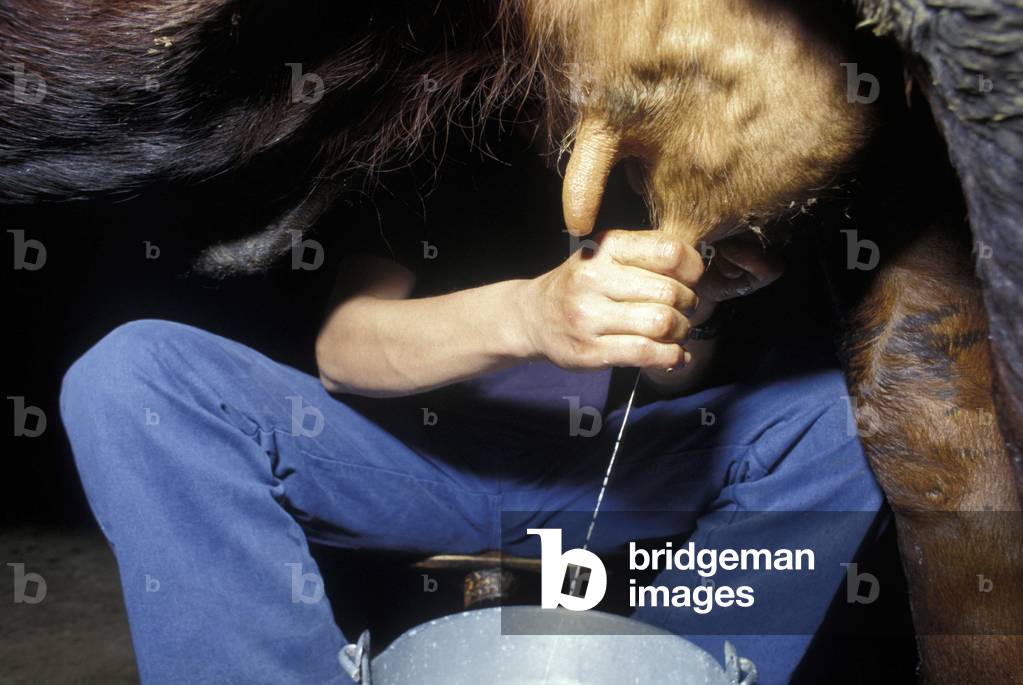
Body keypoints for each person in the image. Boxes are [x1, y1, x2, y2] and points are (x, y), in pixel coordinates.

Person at [60, 152, 884, 684]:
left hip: (607, 473)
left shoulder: (712, 175)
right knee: (134, 373)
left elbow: (676, 394)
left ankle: (675, 667)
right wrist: (531, 316)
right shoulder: (451, 150)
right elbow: (346, 347)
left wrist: (694, 313)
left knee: (837, 411)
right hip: (421, 467)